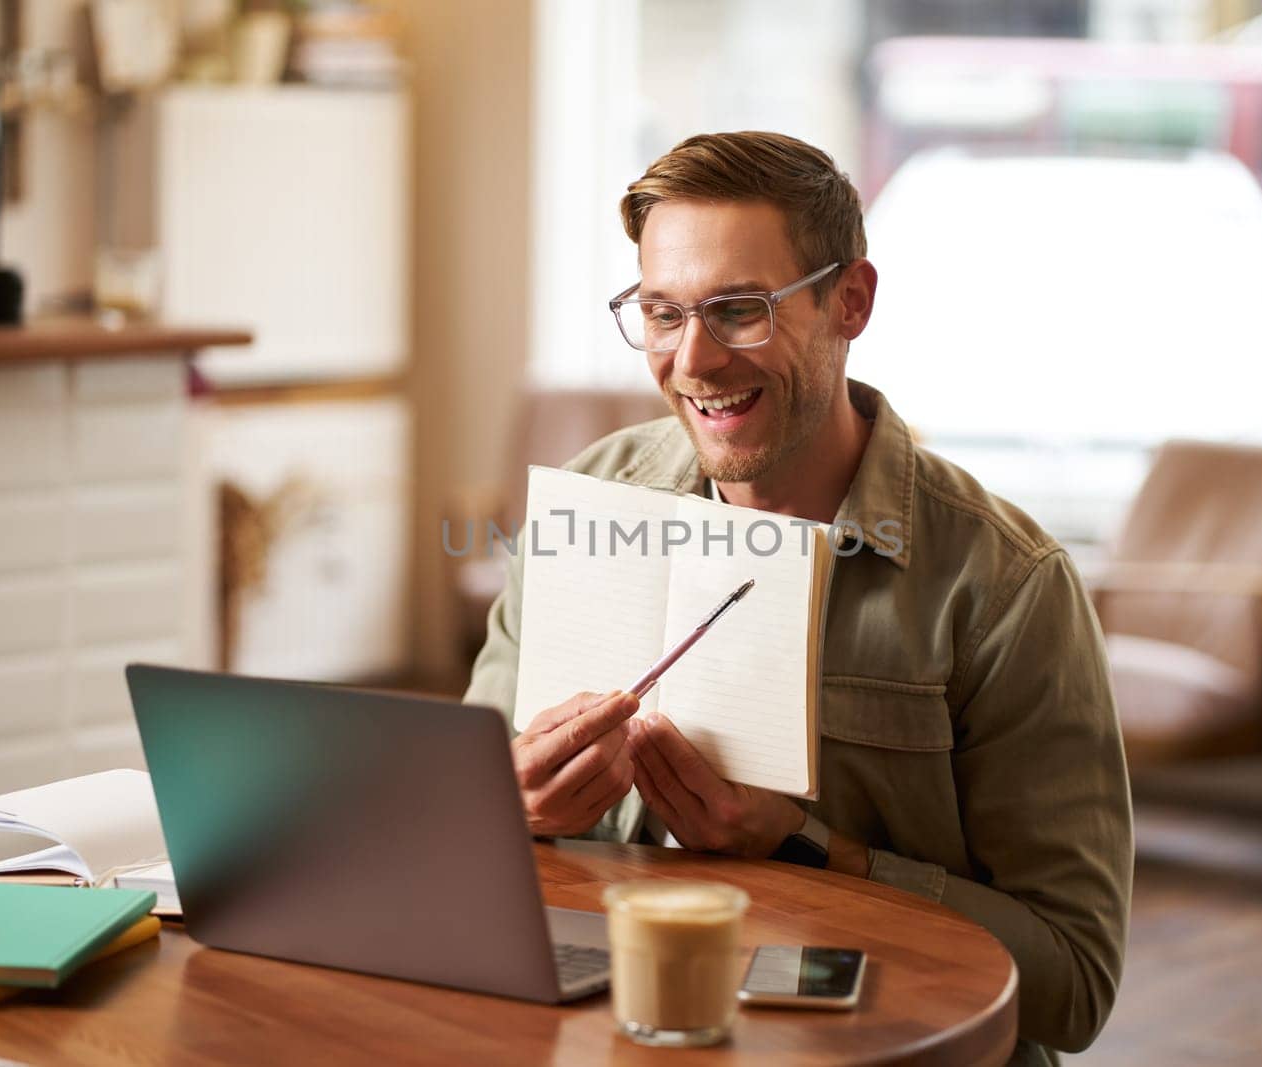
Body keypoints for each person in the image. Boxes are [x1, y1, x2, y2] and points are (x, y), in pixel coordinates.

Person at [465, 130, 1132, 1065]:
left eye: (740, 310)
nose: (693, 359)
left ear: (850, 301)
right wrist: (517, 804)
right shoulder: (588, 503)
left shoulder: (1008, 586)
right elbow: (465, 831)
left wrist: (812, 848)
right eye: (663, 313)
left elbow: (1076, 983)